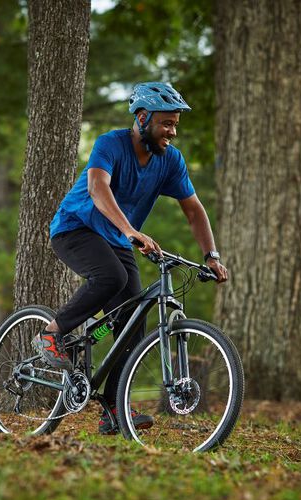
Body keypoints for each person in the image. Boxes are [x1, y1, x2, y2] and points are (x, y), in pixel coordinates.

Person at [33, 82, 228, 434]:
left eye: (175, 125)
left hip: (119, 237)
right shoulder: (111, 144)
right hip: (76, 228)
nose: (171, 131)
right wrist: (130, 231)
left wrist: (211, 255)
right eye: (165, 123)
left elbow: (194, 210)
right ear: (142, 118)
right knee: (112, 278)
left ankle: (111, 409)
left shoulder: (170, 161)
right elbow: (98, 188)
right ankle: (53, 332)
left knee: (133, 323)